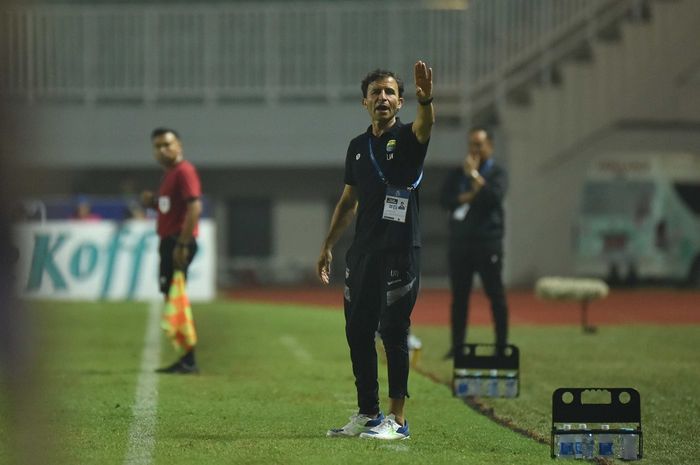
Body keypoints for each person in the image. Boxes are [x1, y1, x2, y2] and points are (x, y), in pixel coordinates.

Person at [317, 61, 434, 441]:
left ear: (400, 102)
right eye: (375, 93)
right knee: (357, 330)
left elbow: (426, 124)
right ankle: (368, 413)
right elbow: (347, 202)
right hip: (362, 253)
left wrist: (426, 98)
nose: (382, 98)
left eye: (389, 93)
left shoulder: (411, 136)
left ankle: (397, 420)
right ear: (363, 102)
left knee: (394, 331)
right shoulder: (356, 147)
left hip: (400, 250)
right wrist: (328, 246)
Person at [439, 127, 509, 359]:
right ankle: (457, 347)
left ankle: (501, 346)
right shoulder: (457, 173)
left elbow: (493, 198)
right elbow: (444, 199)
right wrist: (466, 196)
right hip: (460, 243)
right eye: (471, 144)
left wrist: (475, 178)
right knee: (459, 298)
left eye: (479, 145)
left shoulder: (497, 173)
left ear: (490, 146)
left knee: (496, 296)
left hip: (488, 242)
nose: (474, 150)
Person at [140, 127, 202, 374]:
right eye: (157, 146)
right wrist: (153, 202)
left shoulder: (184, 171)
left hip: (178, 241)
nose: (162, 150)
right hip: (171, 241)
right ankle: (185, 358)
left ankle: (188, 360)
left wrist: (183, 244)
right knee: (172, 296)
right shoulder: (170, 175)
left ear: (179, 146)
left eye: (167, 144)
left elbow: (194, 208)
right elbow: (169, 207)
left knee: (176, 298)